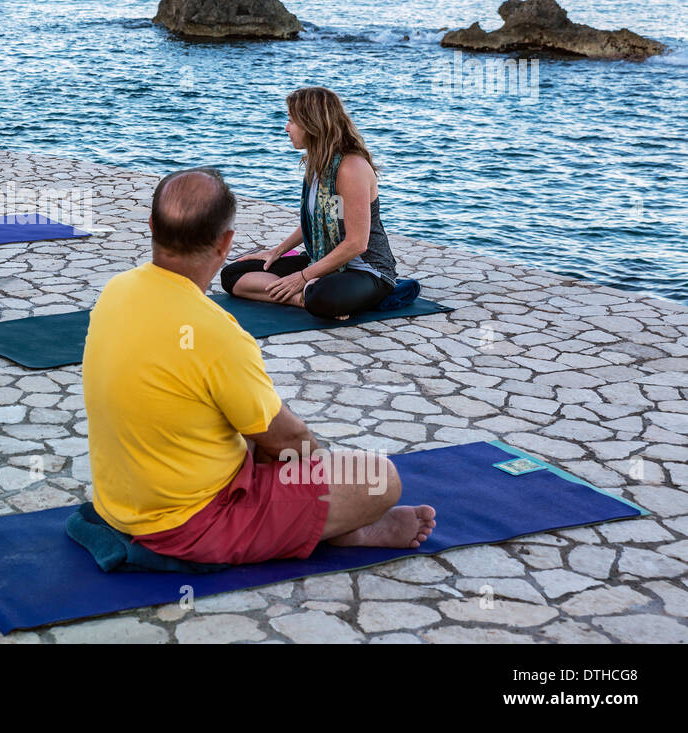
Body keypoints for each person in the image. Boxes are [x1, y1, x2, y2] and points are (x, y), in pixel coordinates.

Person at [82, 167, 435, 564]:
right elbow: (290, 441)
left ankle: (320, 519)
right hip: (189, 525)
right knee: (377, 479)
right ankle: (342, 528)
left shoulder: (116, 290)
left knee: (246, 424)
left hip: (117, 505)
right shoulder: (216, 332)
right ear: (225, 243)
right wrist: (319, 481)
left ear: (151, 226)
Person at [220, 86, 398, 320]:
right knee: (232, 274)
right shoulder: (318, 164)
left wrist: (302, 276)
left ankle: (310, 292)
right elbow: (320, 221)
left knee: (322, 296)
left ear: (312, 125)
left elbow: (357, 244)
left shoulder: (351, 168)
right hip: (324, 260)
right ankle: (301, 298)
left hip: (366, 270)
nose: (286, 128)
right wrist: (276, 252)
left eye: (291, 121)